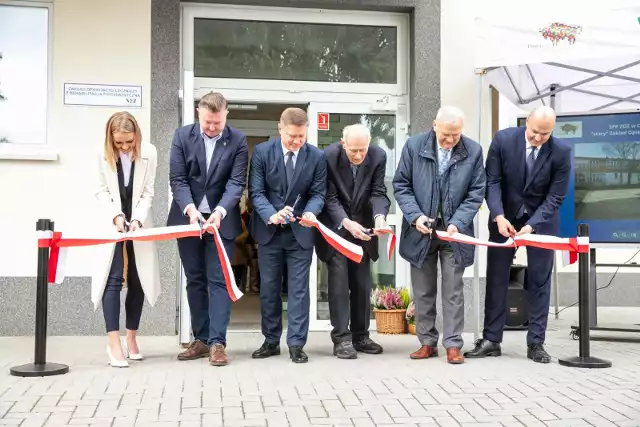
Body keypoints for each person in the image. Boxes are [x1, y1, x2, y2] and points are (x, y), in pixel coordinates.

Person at [464, 106, 570, 364]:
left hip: (541, 223)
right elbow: (493, 181)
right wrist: (498, 216)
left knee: (539, 280)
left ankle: (536, 343)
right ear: (527, 124)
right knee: (497, 277)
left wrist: (532, 225)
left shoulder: (562, 152)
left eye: (545, 134)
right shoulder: (503, 139)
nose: (538, 138)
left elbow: (556, 196)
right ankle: (491, 340)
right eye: (534, 132)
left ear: (552, 131)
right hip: (504, 219)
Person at [393, 106, 486, 364]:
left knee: (453, 290)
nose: (450, 140)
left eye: (455, 135)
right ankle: (426, 342)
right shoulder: (414, 146)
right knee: (423, 291)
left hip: (455, 234)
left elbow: (476, 192)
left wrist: (457, 223)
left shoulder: (474, 150)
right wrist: (415, 216)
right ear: (434, 125)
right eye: (446, 134)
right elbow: (401, 185)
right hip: (420, 230)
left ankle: (453, 344)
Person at [167, 92, 248, 366]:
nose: (212, 128)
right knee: (195, 279)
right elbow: (178, 179)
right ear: (198, 114)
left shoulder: (238, 140)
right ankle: (200, 339)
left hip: (220, 221)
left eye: (217, 123)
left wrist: (220, 211)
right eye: (207, 122)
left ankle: (217, 343)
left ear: (226, 115)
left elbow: (236, 183)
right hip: (187, 218)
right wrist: (191, 210)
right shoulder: (181, 136)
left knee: (219, 280)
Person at [248, 107, 327, 363]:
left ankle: (296, 344)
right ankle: (271, 341)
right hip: (269, 231)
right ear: (280, 128)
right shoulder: (261, 152)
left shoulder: (316, 156)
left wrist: (312, 213)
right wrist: (271, 214)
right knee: (269, 289)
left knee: (299, 291)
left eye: (301, 137)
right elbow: (256, 192)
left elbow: (318, 193)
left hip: (300, 233)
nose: (296, 141)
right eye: (292, 136)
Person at [316, 123, 390, 359]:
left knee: (361, 284)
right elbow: (329, 196)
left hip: (364, 231)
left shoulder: (378, 156)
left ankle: (361, 336)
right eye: (353, 151)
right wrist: (346, 223)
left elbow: (378, 191)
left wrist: (379, 217)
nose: (359, 155)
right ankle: (341, 338)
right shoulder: (328, 157)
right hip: (337, 229)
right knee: (338, 284)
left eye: (363, 150)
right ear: (343, 143)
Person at [92, 111, 160, 368]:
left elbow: (148, 191)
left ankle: (131, 338)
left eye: (129, 142)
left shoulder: (149, 153)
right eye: (119, 143)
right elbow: (100, 191)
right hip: (112, 222)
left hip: (139, 222)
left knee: (138, 278)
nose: (124, 147)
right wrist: (116, 216)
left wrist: (137, 219)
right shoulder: (100, 153)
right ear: (111, 138)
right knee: (112, 276)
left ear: (137, 137)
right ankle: (113, 343)